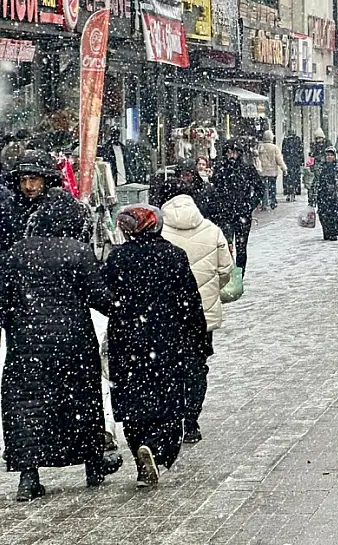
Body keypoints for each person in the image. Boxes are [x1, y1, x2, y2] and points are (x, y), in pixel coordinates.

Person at [0, 191, 118, 500]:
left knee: (27, 406)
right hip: (73, 343)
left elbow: (2, 304)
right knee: (80, 400)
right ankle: (93, 465)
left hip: (26, 346)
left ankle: (28, 476)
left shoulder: (14, 254)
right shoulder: (78, 252)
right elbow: (100, 298)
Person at [104, 205, 207, 488]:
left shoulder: (117, 259)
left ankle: (141, 455)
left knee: (134, 399)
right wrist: (199, 337)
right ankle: (157, 446)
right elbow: (190, 301)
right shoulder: (173, 255)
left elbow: (106, 297)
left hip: (127, 341)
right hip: (167, 339)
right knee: (169, 400)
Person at [160, 182, 233, 444]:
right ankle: (191, 420)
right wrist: (210, 290)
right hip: (202, 314)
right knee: (196, 366)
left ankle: (173, 413)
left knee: (169, 366)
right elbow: (226, 271)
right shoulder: (212, 230)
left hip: (169, 315)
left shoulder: (160, 233)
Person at [210, 140, 263, 274]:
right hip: (224, 214)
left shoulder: (247, 169)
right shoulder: (220, 169)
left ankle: (239, 274)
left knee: (241, 247)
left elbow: (260, 188)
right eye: (229, 152)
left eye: (234, 152)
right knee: (225, 246)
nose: (231, 156)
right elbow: (213, 189)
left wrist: (249, 205)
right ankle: (227, 274)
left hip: (242, 214)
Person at [311, 147, 338, 241]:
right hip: (323, 195)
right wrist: (312, 197)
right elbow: (315, 183)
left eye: (331, 155)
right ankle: (326, 231)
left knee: (336, 215)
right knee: (323, 214)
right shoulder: (321, 168)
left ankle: (333, 232)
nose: (329, 157)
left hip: (335, 195)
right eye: (328, 155)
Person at [256, 130, 286, 210]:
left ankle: (264, 203)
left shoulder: (260, 147)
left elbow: (256, 158)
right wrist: (284, 168)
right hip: (272, 171)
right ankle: (273, 202)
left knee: (263, 188)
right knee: (272, 187)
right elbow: (279, 159)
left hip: (262, 171)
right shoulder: (274, 148)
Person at [281, 131, 304, 202]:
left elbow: (283, 151)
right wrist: (301, 161)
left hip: (288, 162)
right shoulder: (298, 140)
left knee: (288, 178)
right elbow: (301, 152)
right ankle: (293, 193)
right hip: (295, 162)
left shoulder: (285, 140)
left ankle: (288, 192)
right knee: (295, 178)